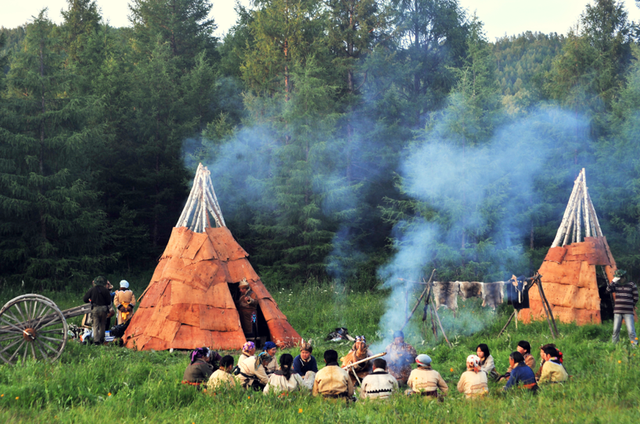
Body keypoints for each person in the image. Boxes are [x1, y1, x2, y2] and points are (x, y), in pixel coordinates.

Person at [606, 269, 638, 347]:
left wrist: (630, 305)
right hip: (617, 311)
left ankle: (635, 345)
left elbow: (636, 297)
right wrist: (613, 281)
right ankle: (614, 345)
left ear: (624, 277)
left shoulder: (632, 284)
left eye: (620, 278)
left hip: (628, 312)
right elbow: (607, 290)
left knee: (631, 330)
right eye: (618, 278)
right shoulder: (616, 284)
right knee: (615, 330)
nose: (619, 280)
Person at [82, 276, 113, 344]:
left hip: (95, 309)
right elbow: (108, 301)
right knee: (102, 324)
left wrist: (91, 301)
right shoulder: (105, 290)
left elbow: (85, 299)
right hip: (104, 309)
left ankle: (96, 341)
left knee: (95, 325)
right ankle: (102, 339)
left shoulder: (92, 289)